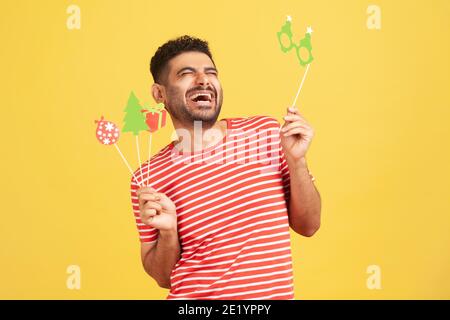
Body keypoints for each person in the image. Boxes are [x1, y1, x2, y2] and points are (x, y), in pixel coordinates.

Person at [130, 35, 321, 300]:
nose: (203, 80)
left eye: (211, 73)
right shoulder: (149, 177)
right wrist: (168, 232)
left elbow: (308, 226)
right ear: (159, 93)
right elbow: (163, 278)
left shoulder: (265, 134)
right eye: (187, 73)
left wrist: (297, 161)